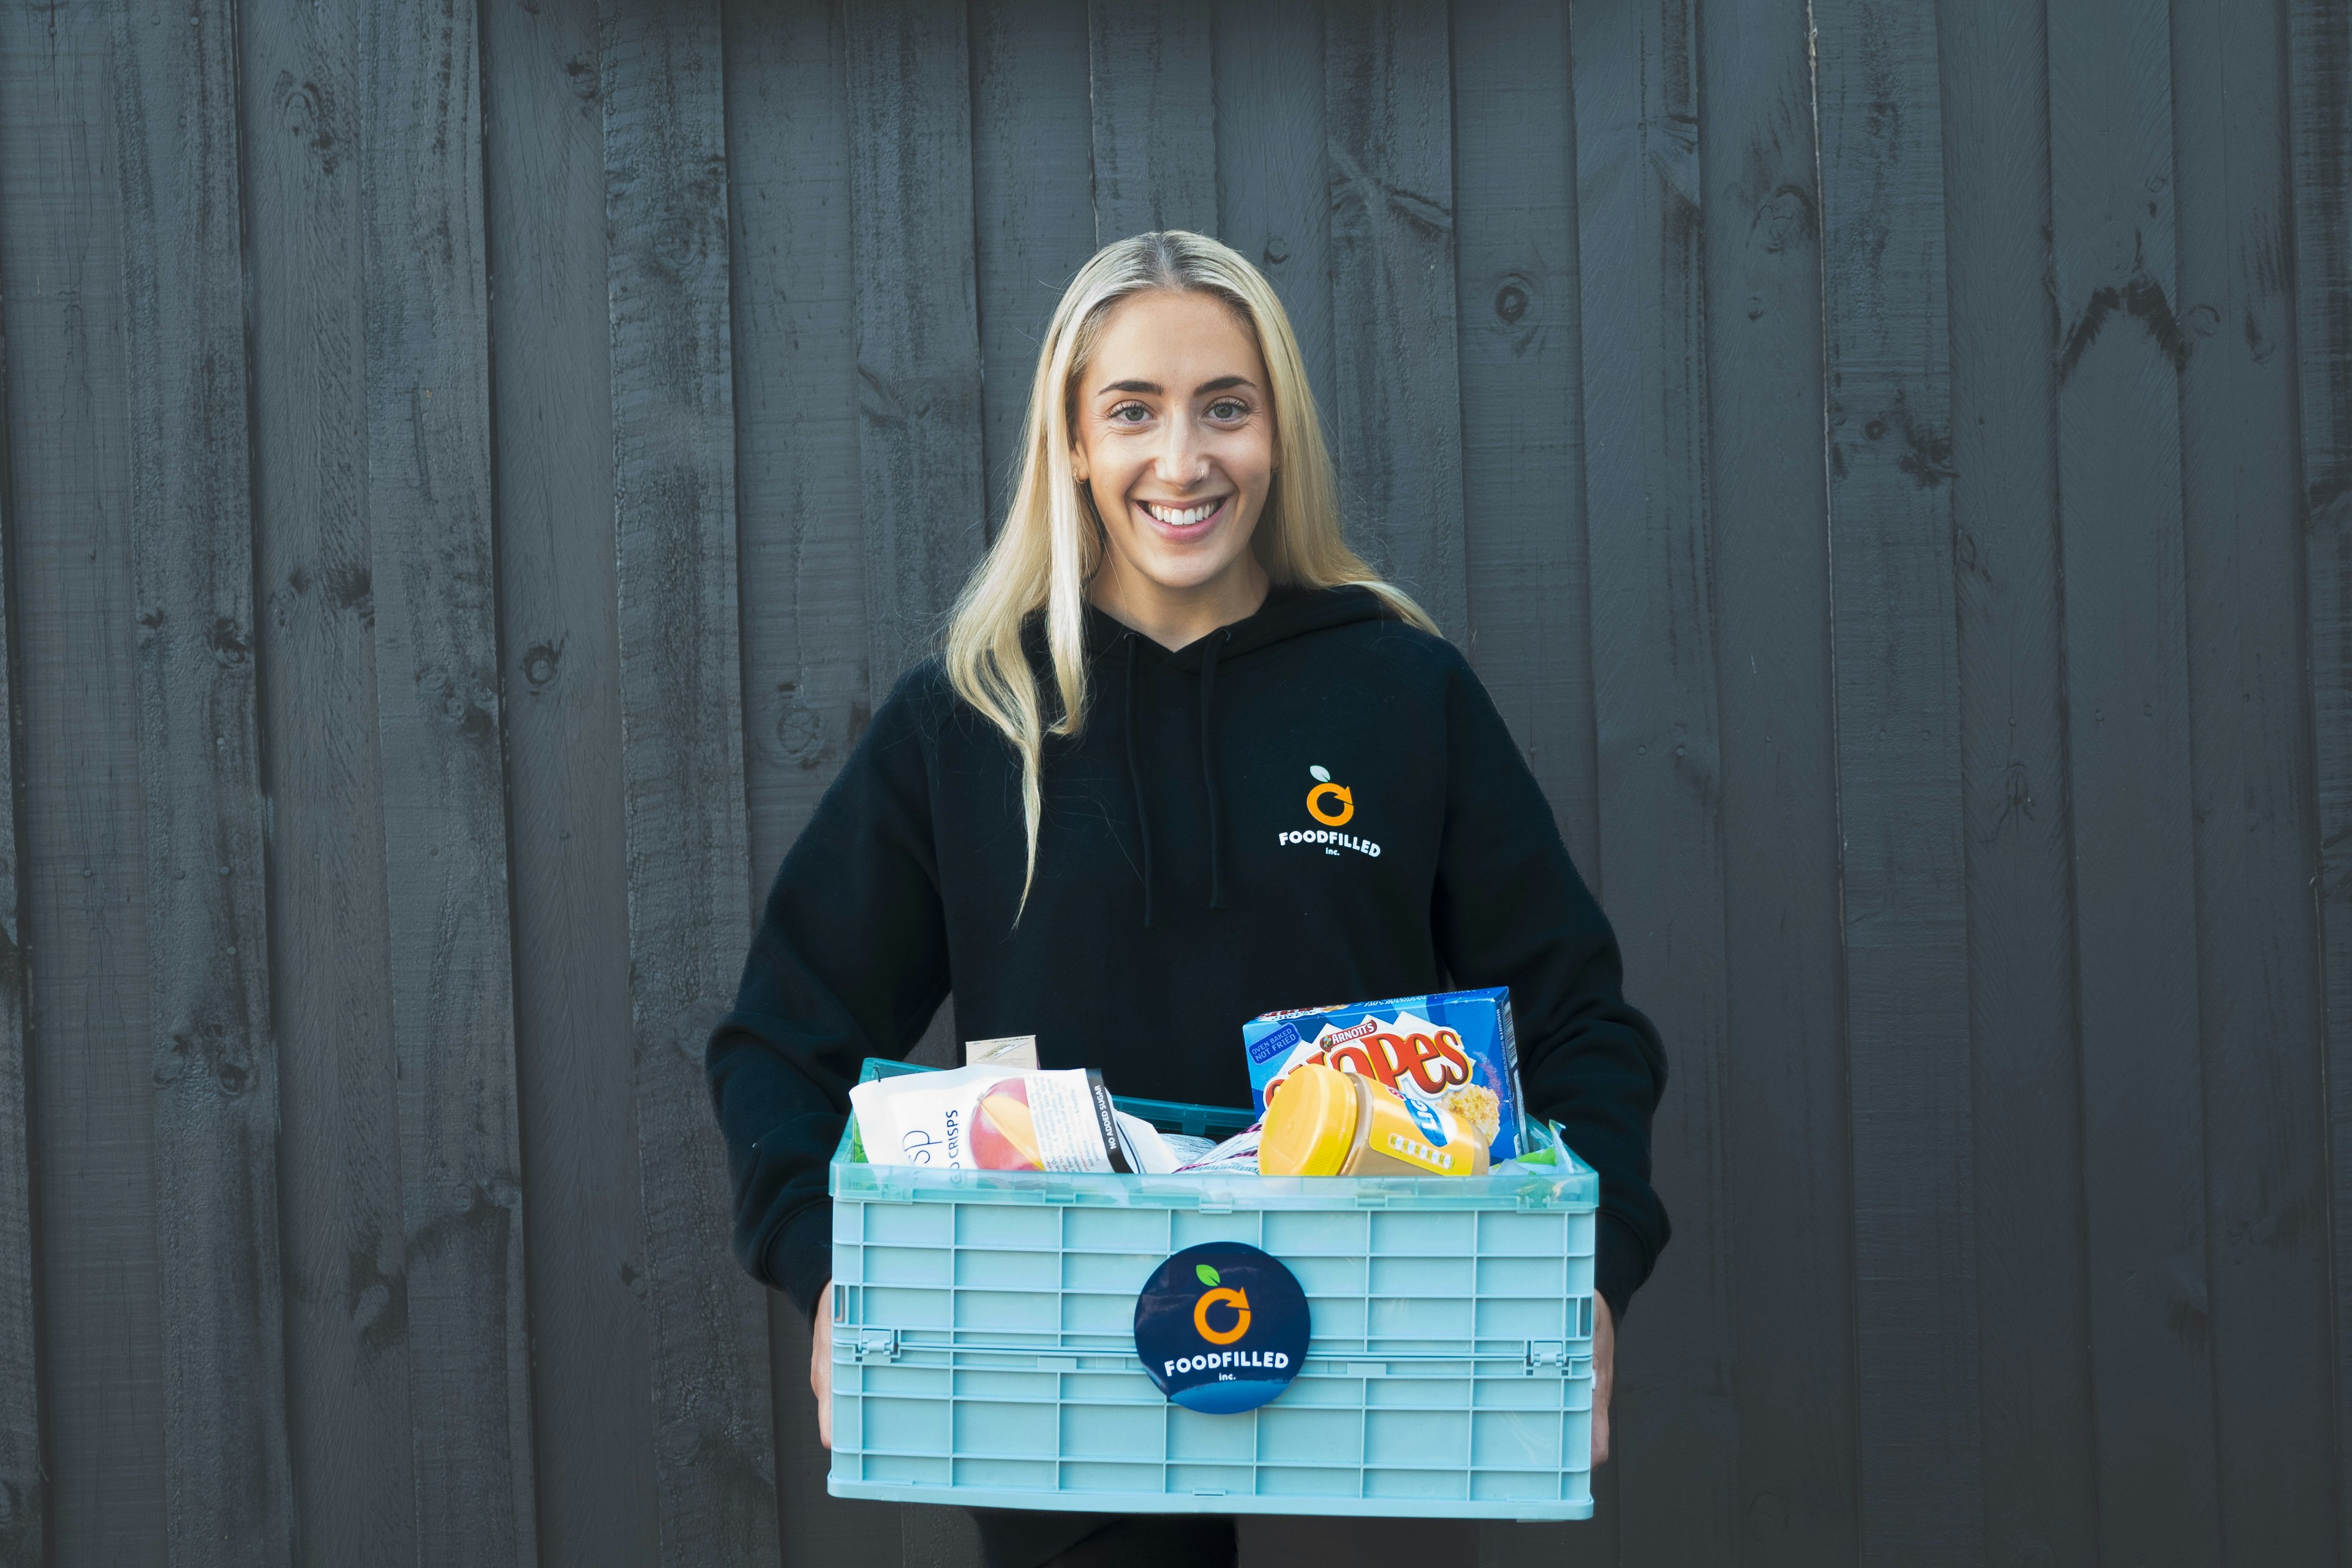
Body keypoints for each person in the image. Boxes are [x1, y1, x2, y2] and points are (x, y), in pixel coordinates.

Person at [706, 230, 1670, 1568]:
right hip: (1068, 1408)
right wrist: (830, 1269)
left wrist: (1594, 1268)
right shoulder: (973, 718)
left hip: (1381, 1408)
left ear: (1280, 431)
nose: (1183, 459)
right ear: (1076, 442)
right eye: (1134, 411)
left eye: (1227, 406)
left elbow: (1582, 1025)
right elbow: (777, 1042)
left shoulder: (1402, 692)